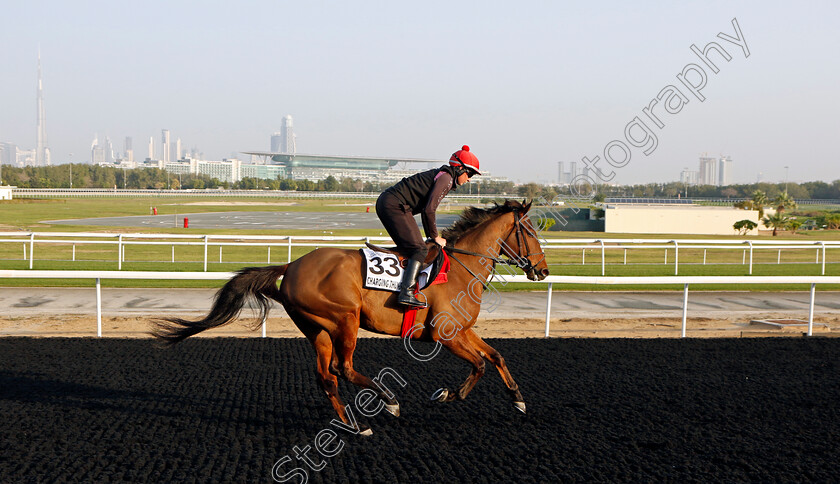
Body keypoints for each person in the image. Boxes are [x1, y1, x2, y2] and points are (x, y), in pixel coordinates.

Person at [375, 145, 480, 307]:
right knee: (420, 249)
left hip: (391, 203)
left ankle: (394, 287)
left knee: (412, 248)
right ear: (459, 169)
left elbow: (427, 210)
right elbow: (429, 210)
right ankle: (406, 292)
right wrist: (435, 236)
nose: (469, 179)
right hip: (394, 205)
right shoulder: (446, 178)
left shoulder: (444, 176)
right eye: (470, 173)